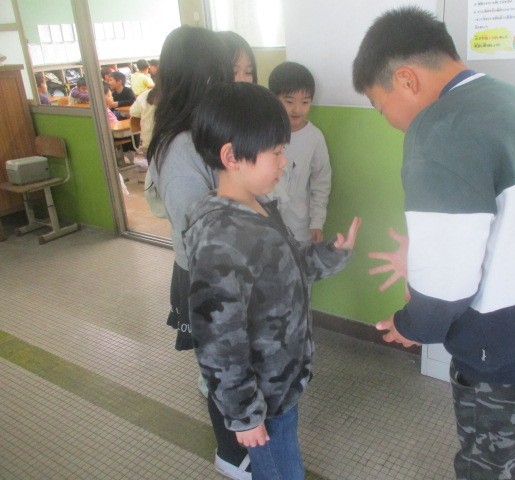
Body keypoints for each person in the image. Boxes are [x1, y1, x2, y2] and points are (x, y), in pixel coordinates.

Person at [353, 7, 515, 480]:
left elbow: (445, 287)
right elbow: (511, 229)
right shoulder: (510, 98)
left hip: (514, 354)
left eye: (382, 108)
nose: (391, 122)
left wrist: (412, 323)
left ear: (405, 79)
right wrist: (425, 258)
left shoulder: (440, 130)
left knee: (484, 470)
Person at [186, 81, 361, 480]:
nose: (284, 162)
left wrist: (331, 253)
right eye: (276, 152)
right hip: (262, 397)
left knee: (285, 463)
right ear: (232, 156)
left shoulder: (260, 209)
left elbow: (288, 270)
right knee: (282, 472)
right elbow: (217, 339)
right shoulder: (221, 239)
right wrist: (244, 414)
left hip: (280, 383)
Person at [146, 25, 251, 480]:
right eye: (221, 75)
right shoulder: (181, 148)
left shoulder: (200, 132)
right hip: (209, 276)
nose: (228, 84)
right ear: (200, 79)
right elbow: (200, 235)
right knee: (223, 371)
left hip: (223, 270)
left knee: (229, 365)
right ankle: (232, 455)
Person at [268, 62, 331, 244]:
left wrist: (317, 222)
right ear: (274, 99)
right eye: (289, 101)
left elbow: (321, 181)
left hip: (300, 229)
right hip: (267, 226)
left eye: (305, 102)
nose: (297, 109)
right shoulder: (264, 133)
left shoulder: (314, 137)